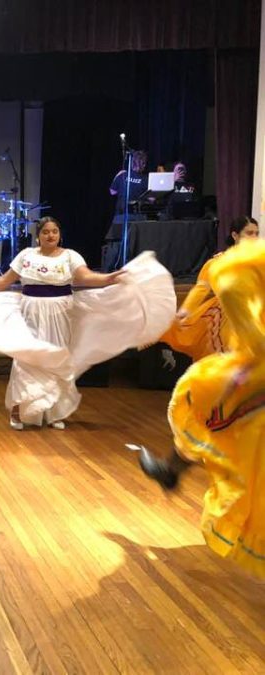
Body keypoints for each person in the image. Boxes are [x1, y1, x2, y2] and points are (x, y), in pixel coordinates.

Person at [0, 216, 176, 429]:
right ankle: (18, 411)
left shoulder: (70, 256)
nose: (50, 235)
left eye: (54, 231)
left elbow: (85, 277)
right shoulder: (26, 256)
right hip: (31, 310)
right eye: (45, 232)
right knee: (27, 359)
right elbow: (6, 279)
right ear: (38, 235)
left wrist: (109, 278)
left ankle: (54, 414)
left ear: (59, 234)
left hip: (61, 311)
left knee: (58, 358)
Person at [137, 239, 265, 578]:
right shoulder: (235, 262)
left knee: (211, 407)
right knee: (208, 406)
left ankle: (172, 470)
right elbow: (218, 283)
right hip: (242, 361)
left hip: (250, 368)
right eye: (248, 231)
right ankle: (172, 469)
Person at [156, 217, 259, 361]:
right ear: (235, 235)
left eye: (256, 234)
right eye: (249, 233)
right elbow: (201, 288)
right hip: (227, 319)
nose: (254, 238)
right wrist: (186, 310)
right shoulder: (217, 262)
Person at [109, 150, 148, 220]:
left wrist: (117, 175)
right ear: (143, 164)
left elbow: (112, 192)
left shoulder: (122, 175)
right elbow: (151, 199)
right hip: (137, 216)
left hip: (121, 215)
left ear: (132, 162)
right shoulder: (146, 179)